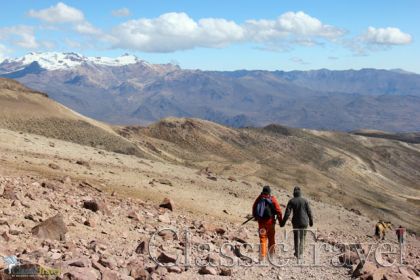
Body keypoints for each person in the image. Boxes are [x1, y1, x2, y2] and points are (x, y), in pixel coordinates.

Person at [280, 186, 313, 259]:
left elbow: (287, 213)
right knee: (303, 237)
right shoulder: (305, 201)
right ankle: (300, 253)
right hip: (304, 222)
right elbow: (309, 212)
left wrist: (283, 222)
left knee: (296, 237)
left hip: (296, 222)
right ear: (300, 193)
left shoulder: (291, 201)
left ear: (293, 193)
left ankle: (297, 253)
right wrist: (311, 221)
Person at [252, 185, 283, 260]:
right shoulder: (272, 199)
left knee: (263, 238)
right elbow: (279, 211)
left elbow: (254, 207)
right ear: (269, 192)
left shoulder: (260, 198)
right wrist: (281, 221)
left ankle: (262, 256)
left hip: (261, 222)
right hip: (271, 222)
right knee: (271, 238)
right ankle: (271, 255)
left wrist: (255, 216)